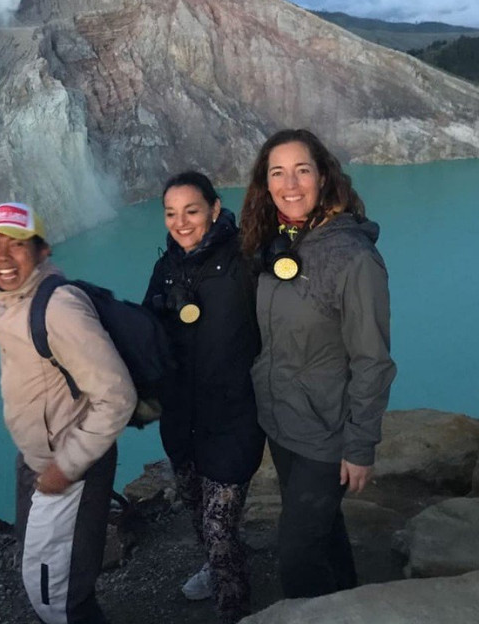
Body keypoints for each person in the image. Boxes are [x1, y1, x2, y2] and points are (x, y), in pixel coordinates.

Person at [240, 129, 396, 599]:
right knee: (323, 531)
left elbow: (373, 360)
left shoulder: (353, 258)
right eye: (278, 173)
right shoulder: (277, 242)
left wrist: (360, 445)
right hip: (283, 423)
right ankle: (349, 600)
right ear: (264, 185)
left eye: (302, 170)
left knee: (297, 556)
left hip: (325, 435)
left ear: (323, 176)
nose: (291, 184)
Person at [0, 201, 136, 624]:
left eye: (18, 245)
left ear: (42, 250)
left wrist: (65, 466)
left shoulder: (58, 307)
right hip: (39, 461)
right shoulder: (8, 302)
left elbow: (117, 397)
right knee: (44, 581)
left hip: (72, 468)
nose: (4, 257)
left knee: (63, 596)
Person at [142, 171, 266, 622]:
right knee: (198, 512)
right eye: (171, 214)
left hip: (235, 417)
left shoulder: (245, 260)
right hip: (182, 418)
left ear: (214, 209)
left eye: (192, 211)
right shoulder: (166, 267)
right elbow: (146, 334)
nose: (181, 222)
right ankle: (217, 568)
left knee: (218, 526)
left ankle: (235, 610)